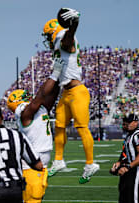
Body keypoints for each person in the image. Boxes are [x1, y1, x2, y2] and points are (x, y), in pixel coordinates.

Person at [42, 7, 99, 183]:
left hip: (77, 91)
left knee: (81, 127)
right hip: (66, 92)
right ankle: (58, 160)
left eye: (47, 35)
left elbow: (68, 41)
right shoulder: (60, 40)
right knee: (59, 126)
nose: (46, 39)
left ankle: (90, 164)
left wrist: (74, 24)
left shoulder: (63, 37)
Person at [6, 59, 62, 203]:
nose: (29, 97)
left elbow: (52, 95)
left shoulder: (38, 110)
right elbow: (40, 96)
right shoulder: (26, 114)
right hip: (30, 167)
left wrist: (60, 78)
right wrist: (55, 74)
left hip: (40, 165)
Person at [110, 113, 139, 203]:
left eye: (128, 122)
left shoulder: (138, 135)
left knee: (134, 198)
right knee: (124, 196)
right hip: (130, 168)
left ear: (136, 123)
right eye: (125, 123)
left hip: (137, 168)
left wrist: (127, 167)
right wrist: (118, 163)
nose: (126, 125)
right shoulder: (129, 136)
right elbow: (125, 154)